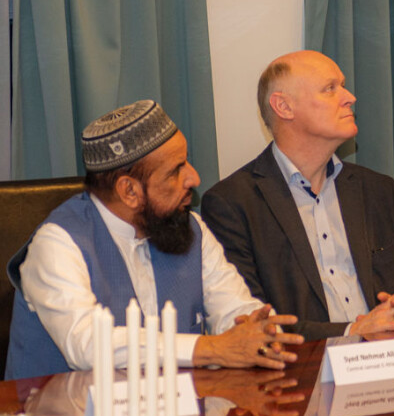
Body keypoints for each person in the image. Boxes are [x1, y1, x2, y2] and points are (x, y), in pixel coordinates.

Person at [6, 101, 304, 380]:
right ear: (129, 191)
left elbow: (233, 307)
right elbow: (87, 345)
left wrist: (257, 332)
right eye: (176, 170)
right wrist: (211, 348)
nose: (194, 178)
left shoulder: (191, 229)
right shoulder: (57, 244)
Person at [202, 50, 394, 342]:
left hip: (390, 362)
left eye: (343, 85)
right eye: (330, 89)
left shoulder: (378, 191)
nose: (350, 97)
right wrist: (354, 332)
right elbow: (253, 324)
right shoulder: (233, 203)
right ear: (284, 107)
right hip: (301, 375)